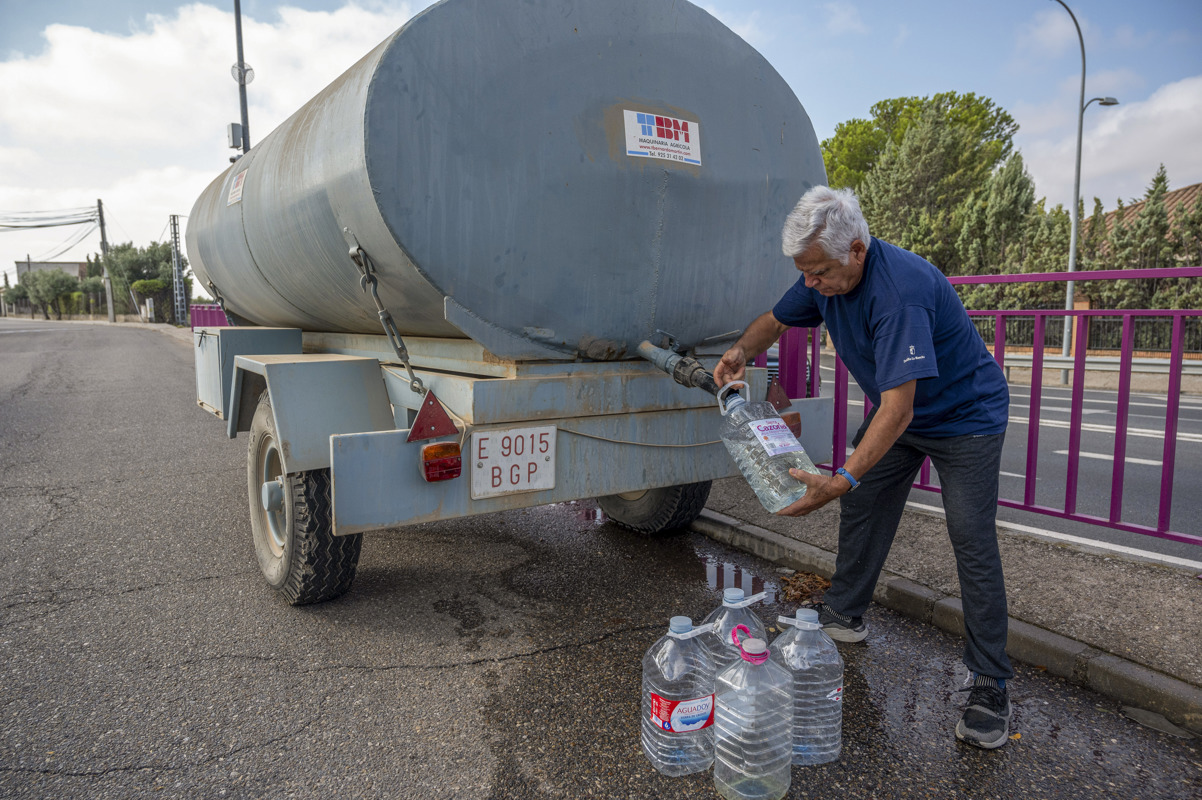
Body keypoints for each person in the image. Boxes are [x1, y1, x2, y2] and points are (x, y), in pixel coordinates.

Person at [713, 185, 1014, 750]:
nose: (810, 283)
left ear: (856, 250)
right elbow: (774, 321)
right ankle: (844, 614)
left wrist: (841, 477)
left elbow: (900, 408)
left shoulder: (900, 291)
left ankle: (990, 682)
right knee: (865, 505)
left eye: (819, 271)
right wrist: (739, 354)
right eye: (803, 271)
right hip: (901, 414)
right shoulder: (823, 277)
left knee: (970, 537)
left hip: (965, 417)